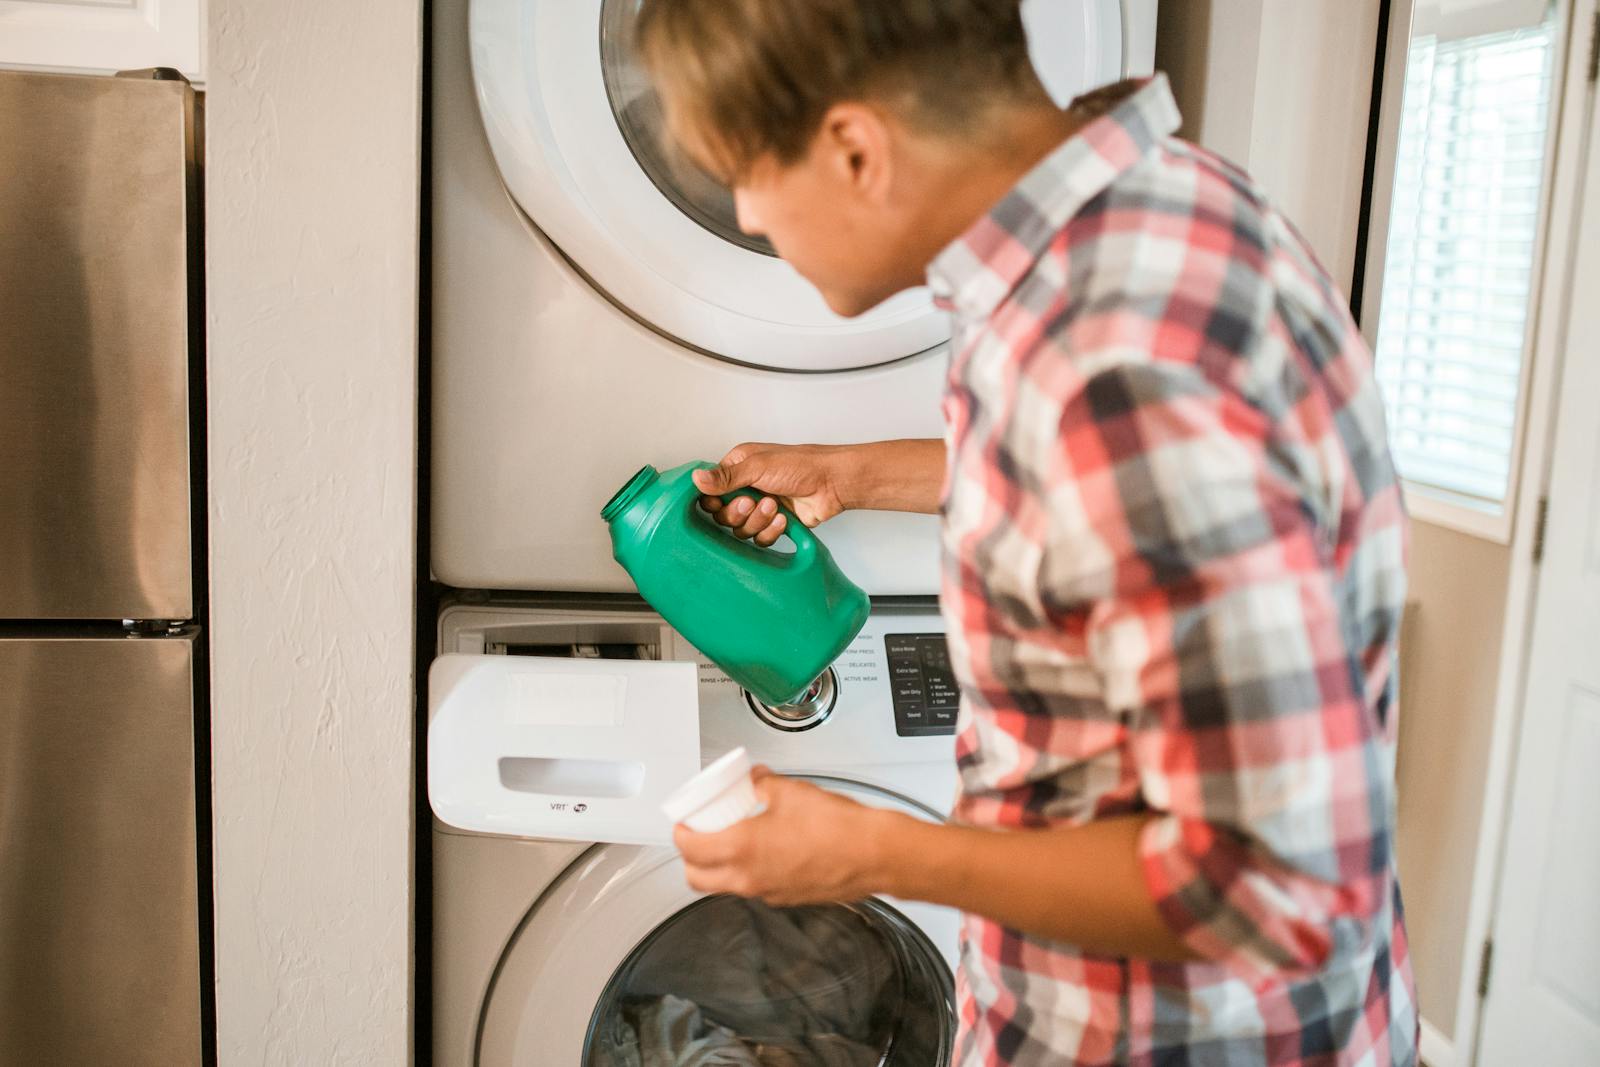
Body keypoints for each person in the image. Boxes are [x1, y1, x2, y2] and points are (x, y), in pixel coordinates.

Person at [633, 1, 1418, 1063]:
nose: (749, 215)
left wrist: (872, 847)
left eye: (745, 172)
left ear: (856, 148)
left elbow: (1274, 878)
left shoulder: (1106, 354)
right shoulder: (1161, 213)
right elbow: (1117, 509)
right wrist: (852, 475)